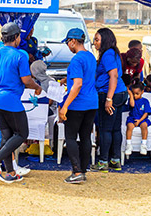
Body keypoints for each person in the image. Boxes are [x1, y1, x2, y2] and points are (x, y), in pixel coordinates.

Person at [0, 22, 43, 184]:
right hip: (11, 100)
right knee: (22, 134)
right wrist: (37, 87)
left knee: (7, 136)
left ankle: (11, 173)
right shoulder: (20, 55)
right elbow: (26, 80)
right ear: (16, 37)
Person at [58, 28, 98, 184]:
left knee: (70, 137)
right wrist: (66, 79)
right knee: (86, 137)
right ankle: (83, 170)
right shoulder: (90, 57)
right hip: (91, 102)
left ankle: (76, 171)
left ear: (73, 41)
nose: (68, 46)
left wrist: (65, 106)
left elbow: (78, 84)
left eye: (68, 42)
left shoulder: (76, 60)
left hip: (77, 104)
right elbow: (85, 78)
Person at [91, 27, 127, 172]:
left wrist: (109, 98)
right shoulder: (113, 53)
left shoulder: (107, 54)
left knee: (105, 129)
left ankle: (103, 162)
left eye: (97, 40)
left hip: (110, 93)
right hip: (120, 93)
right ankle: (115, 160)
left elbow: (113, 76)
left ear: (105, 40)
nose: (94, 43)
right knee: (116, 129)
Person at [125, 82, 151, 156]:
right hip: (132, 118)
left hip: (142, 119)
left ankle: (143, 145)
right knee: (129, 126)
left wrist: (139, 120)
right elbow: (132, 105)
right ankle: (129, 145)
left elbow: (146, 113)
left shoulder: (145, 101)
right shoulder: (131, 99)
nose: (135, 95)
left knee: (144, 126)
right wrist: (130, 95)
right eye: (133, 93)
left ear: (142, 92)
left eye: (137, 94)